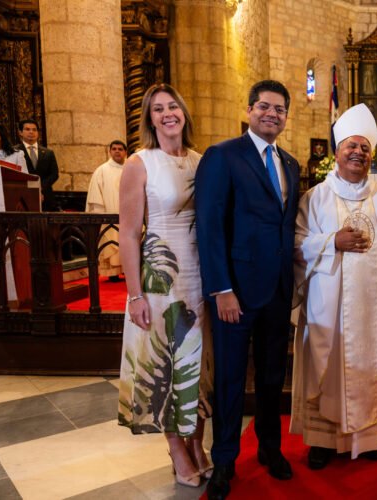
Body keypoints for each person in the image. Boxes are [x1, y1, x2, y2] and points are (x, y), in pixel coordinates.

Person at [291, 103, 377, 469]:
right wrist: (332, 242)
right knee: (326, 366)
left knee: (374, 364)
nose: (358, 153)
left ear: (372, 155)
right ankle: (323, 442)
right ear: (336, 152)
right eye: (351, 146)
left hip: (374, 310)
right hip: (328, 306)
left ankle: (370, 437)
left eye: (364, 147)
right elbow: (297, 246)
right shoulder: (315, 197)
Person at [195, 80, 300, 500]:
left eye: (279, 109)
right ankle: (224, 461)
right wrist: (221, 288)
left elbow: (285, 227)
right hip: (234, 292)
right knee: (231, 379)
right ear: (250, 109)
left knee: (273, 377)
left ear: (286, 116)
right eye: (264, 106)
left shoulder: (289, 163)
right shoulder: (223, 156)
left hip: (276, 290)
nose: (271, 113)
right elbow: (209, 225)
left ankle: (270, 449)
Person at [117, 83, 213, 489]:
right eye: (158, 109)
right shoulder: (140, 163)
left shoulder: (201, 160)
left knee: (199, 364)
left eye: (173, 106)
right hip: (160, 279)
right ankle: (176, 447)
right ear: (149, 118)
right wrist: (135, 293)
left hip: (201, 274)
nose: (168, 114)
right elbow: (127, 234)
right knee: (168, 364)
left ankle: (197, 441)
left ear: (184, 112)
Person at [86, 140, 128, 281]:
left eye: (120, 149)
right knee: (111, 241)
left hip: (129, 215)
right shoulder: (102, 170)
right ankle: (113, 273)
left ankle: (129, 271)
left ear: (125, 152)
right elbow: (95, 194)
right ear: (110, 152)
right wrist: (100, 214)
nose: (117, 151)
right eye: (114, 149)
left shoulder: (131, 168)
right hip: (110, 214)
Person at [14, 118, 59, 211]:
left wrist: (39, 188)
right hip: (22, 195)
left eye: (34, 130)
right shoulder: (14, 151)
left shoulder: (48, 152)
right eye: (27, 129)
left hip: (45, 196)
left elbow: (54, 174)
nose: (31, 132)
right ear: (20, 132)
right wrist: (31, 190)